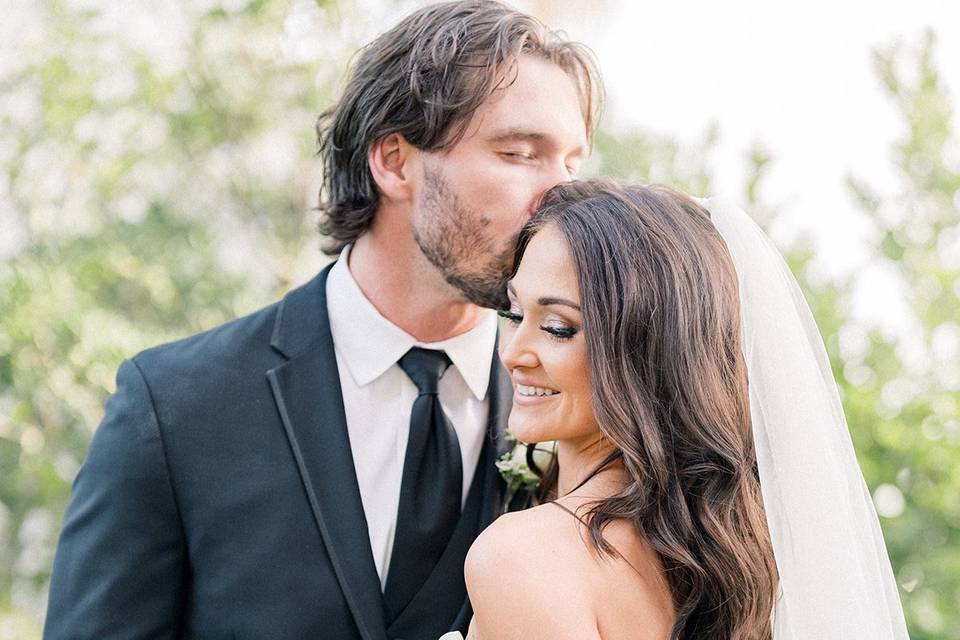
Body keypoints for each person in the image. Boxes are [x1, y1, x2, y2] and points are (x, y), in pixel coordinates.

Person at [43, 2, 601, 639]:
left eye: (572, 165)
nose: (560, 196)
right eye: (521, 153)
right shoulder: (174, 408)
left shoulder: (586, 410)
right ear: (394, 161)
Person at [458, 181, 909, 639]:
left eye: (558, 328)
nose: (514, 353)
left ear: (647, 353)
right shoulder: (747, 563)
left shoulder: (526, 558)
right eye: (513, 315)